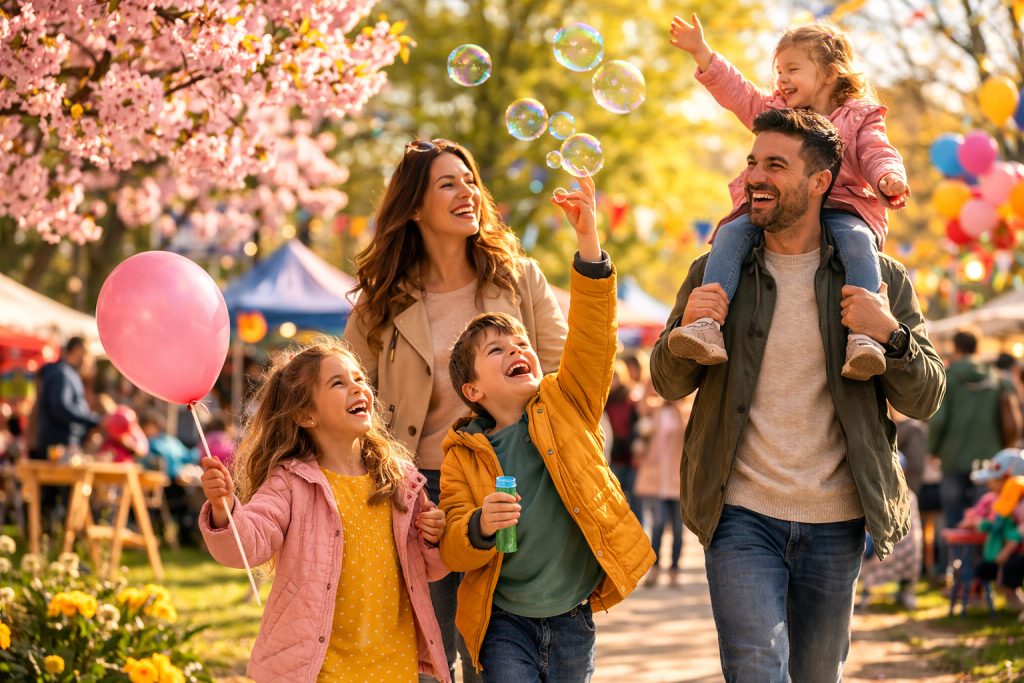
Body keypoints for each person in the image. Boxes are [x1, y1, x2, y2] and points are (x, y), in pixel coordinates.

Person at [649, 109, 945, 682]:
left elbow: (926, 397)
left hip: (838, 519)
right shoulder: (715, 268)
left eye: (775, 165)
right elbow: (667, 383)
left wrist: (891, 335)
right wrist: (685, 329)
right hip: (740, 514)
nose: (755, 176)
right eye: (753, 161)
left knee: (816, 675)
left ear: (819, 181)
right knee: (755, 668)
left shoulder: (881, 277)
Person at [343, 139, 567, 683]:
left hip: (511, 483)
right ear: (414, 206)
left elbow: (563, 379)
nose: (468, 191)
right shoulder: (381, 301)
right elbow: (348, 399)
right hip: (422, 498)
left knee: (503, 653)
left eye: (470, 181)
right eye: (449, 183)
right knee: (431, 657)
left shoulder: (519, 278)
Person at [437, 172, 655, 682]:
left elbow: (594, 338)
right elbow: (451, 544)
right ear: (473, 391)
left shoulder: (567, 401)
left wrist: (587, 240)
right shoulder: (461, 455)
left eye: (521, 345)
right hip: (503, 620)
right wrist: (480, 525)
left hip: (573, 614)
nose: (517, 350)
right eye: (498, 350)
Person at [198, 336, 451, 683]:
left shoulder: (398, 477)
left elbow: (427, 569)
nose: (357, 387)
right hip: (320, 668)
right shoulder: (289, 483)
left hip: (392, 664)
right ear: (306, 415)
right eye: (338, 382)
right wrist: (224, 510)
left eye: (359, 378)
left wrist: (434, 537)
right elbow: (248, 545)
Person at [668, 18, 908, 382]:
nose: (781, 79)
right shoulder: (779, 113)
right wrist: (703, 53)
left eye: (792, 69)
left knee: (860, 242)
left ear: (829, 73)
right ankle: (705, 325)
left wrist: (888, 177)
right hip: (781, 207)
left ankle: (863, 338)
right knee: (731, 233)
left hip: (845, 206)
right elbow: (740, 93)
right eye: (778, 70)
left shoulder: (859, 114)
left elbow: (877, 151)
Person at [928, 330, 1004, 532]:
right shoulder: (994, 376)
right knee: (984, 518)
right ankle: (980, 563)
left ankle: (953, 562)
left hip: (953, 457)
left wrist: (932, 449)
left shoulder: (949, 377)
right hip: (989, 459)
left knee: (953, 520)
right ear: (978, 348)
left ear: (956, 348)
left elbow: (937, 421)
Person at [633, 383, 690, 588]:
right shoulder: (655, 409)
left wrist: (679, 407)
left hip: (677, 480)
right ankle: (654, 571)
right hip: (656, 477)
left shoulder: (687, 411)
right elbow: (640, 406)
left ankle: (674, 571)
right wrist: (655, 378)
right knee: (657, 524)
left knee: (677, 528)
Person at [960, 450, 1024, 615]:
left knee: (1006, 574)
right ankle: (1017, 607)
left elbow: (1018, 531)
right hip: (1006, 551)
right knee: (992, 572)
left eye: (995, 479)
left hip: (1016, 552)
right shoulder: (1001, 502)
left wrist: (1007, 548)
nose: (989, 483)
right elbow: (996, 523)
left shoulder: (1019, 503)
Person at [605, 361, 639, 512]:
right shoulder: (604, 401)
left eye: (616, 376)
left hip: (630, 458)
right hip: (611, 459)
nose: (613, 381)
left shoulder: (631, 400)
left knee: (635, 506)